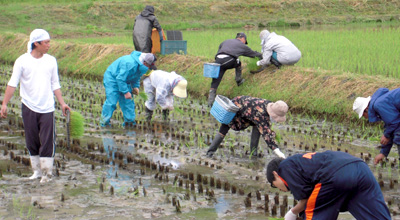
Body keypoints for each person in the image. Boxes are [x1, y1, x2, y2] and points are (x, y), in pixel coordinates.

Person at [0, 29, 70, 183]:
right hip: (28, 105)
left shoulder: (51, 60)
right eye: (46, 42)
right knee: (31, 140)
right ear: (36, 44)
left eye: (49, 42)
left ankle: (47, 174)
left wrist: (62, 103)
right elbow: (13, 83)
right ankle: (37, 171)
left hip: (47, 107)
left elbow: (55, 84)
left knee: (47, 141)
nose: (49, 45)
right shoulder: (22, 61)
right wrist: (4, 104)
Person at [266, 151, 391, 220]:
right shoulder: (300, 162)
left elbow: (307, 199)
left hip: (335, 174)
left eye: (275, 185)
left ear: (275, 174)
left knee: (310, 211)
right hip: (361, 168)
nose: (281, 190)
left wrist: (292, 213)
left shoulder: (285, 167)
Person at [206, 96, 288, 158]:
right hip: (234, 109)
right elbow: (267, 136)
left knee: (257, 126)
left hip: (246, 108)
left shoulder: (269, 105)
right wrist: (280, 153)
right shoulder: (261, 115)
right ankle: (209, 153)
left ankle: (253, 154)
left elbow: (264, 127)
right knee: (223, 130)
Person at [100, 52, 155, 127]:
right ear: (145, 63)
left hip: (124, 80)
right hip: (112, 79)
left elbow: (136, 77)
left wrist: (135, 86)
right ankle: (104, 123)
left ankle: (129, 123)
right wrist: (125, 92)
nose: (148, 68)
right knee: (111, 102)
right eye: (149, 66)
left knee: (128, 102)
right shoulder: (130, 64)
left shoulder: (141, 66)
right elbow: (120, 79)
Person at [208, 33, 262, 107]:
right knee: (238, 62)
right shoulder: (242, 45)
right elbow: (253, 54)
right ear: (243, 38)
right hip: (228, 60)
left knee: (215, 81)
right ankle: (238, 80)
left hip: (218, 61)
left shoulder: (226, 41)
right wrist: (264, 56)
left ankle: (210, 102)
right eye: (245, 41)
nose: (244, 43)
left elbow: (219, 51)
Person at [353, 87, 400, 165]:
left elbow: (395, 123)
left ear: (366, 109)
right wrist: (383, 153)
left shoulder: (379, 105)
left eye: (364, 115)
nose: (366, 118)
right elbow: (391, 125)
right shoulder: (380, 103)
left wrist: (386, 135)